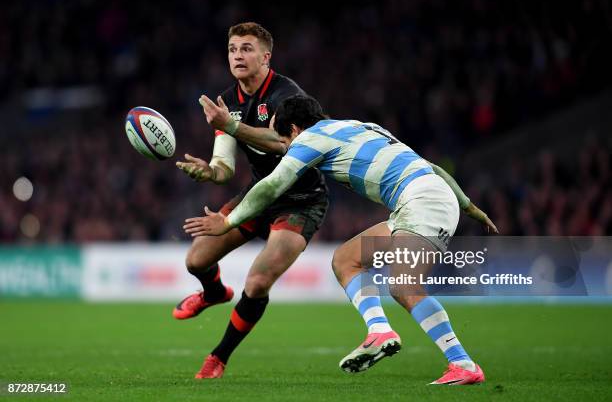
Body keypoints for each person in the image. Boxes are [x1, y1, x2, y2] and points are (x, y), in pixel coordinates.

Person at [184, 95, 499, 385]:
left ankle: (463, 364)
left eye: (283, 140)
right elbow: (432, 168)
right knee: (346, 260)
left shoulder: (308, 139)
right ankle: (379, 331)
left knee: (404, 286)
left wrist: (227, 221)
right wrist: (469, 206)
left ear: (293, 129)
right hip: (425, 198)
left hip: (421, 202)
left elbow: (272, 186)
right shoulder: (360, 126)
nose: (285, 147)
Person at [174, 23, 328, 379]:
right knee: (196, 260)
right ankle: (213, 293)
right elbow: (225, 166)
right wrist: (208, 172)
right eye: (232, 49)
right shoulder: (228, 101)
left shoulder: (287, 96)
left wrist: (230, 126)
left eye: (246, 48)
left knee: (257, 282)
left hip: (301, 200)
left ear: (265, 56)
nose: (238, 56)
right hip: (260, 193)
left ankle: (218, 357)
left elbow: (282, 143)